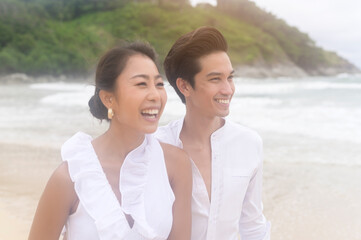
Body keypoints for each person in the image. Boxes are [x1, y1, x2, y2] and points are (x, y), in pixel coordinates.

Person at [28, 42, 192, 240]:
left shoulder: (176, 165)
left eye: (159, 84)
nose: (155, 95)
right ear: (108, 99)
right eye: (141, 84)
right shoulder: (70, 177)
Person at [155, 27, 271, 240]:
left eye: (230, 78)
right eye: (215, 79)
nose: (228, 89)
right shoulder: (156, 147)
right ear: (184, 86)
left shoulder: (249, 143)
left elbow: (252, 225)